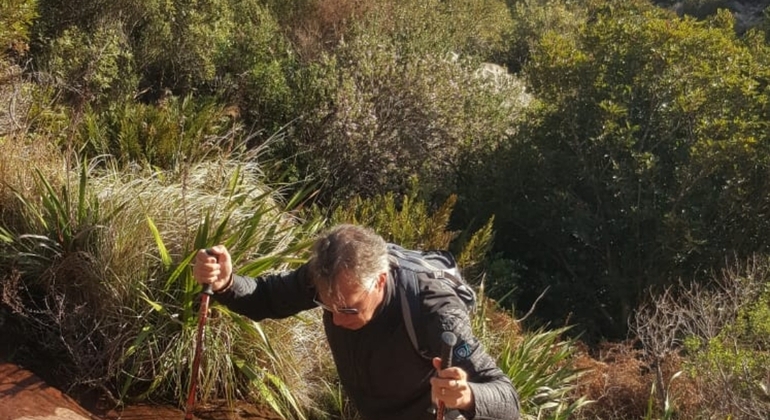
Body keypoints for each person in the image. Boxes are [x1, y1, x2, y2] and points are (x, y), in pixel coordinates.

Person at [193, 224, 520, 420]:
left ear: (380, 281)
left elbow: (508, 398)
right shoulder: (327, 279)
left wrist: (466, 395)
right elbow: (267, 297)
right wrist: (226, 283)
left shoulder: (436, 312)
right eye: (327, 306)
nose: (336, 319)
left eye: (349, 309)